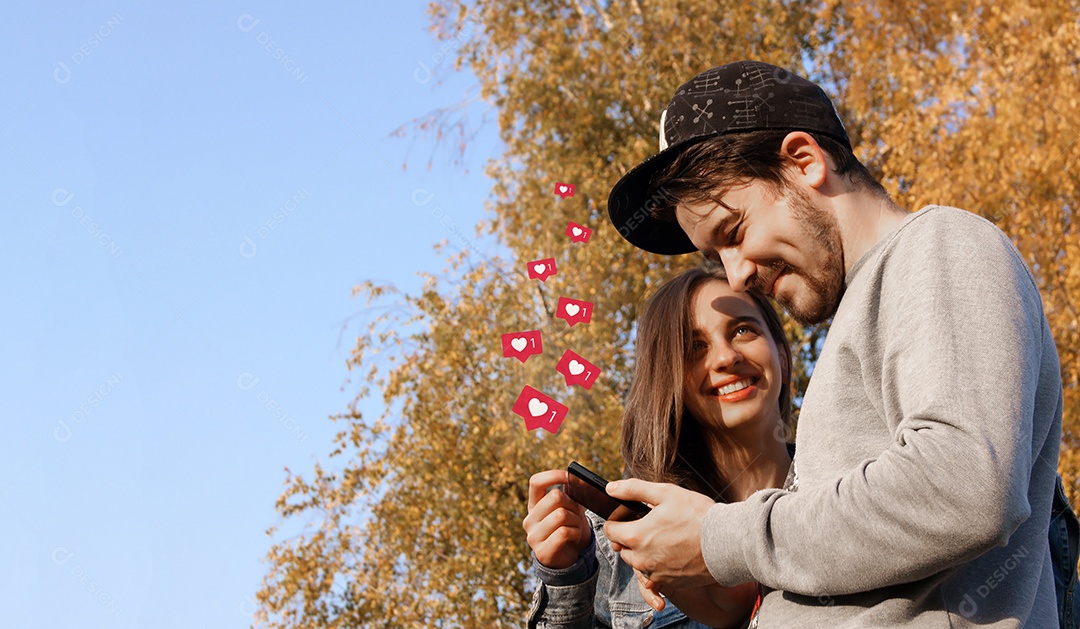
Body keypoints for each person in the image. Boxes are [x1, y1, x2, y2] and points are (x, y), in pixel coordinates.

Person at [603, 59, 1076, 626]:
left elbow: (964, 484)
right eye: (716, 257)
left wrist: (719, 536)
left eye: (734, 234)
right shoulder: (870, 306)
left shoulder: (941, 244)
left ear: (804, 162)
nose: (734, 275)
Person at [524, 264, 796, 628]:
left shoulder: (851, 486)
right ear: (668, 377)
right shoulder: (621, 544)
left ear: (780, 351)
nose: (726, 357)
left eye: (743, 330)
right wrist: (565, 579)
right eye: (695, 346)